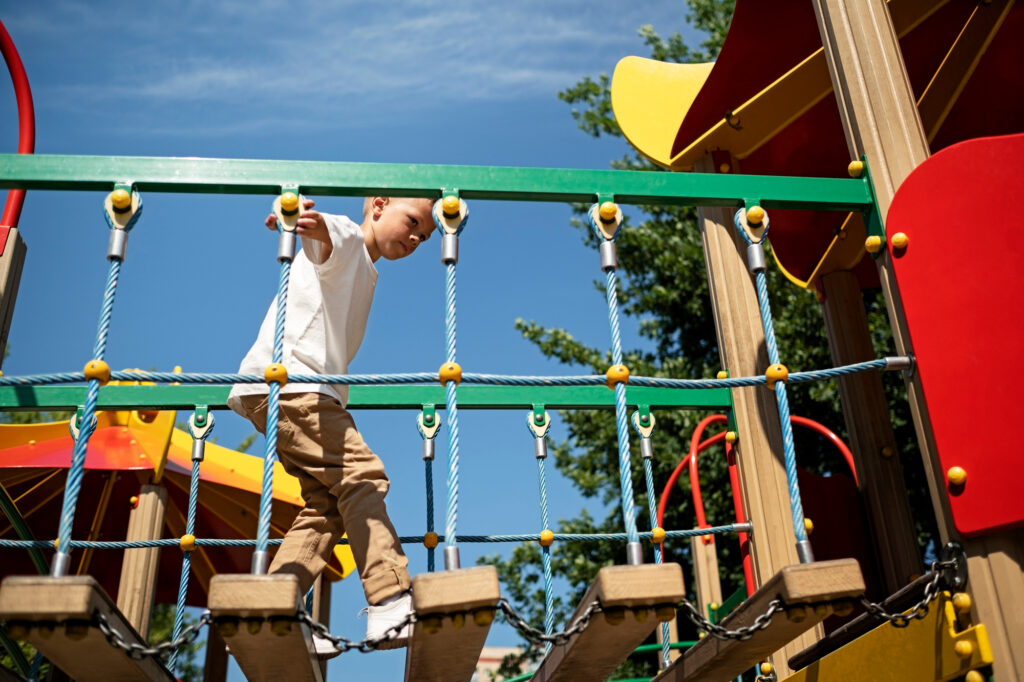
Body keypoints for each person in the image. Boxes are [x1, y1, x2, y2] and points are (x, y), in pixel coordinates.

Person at [227, 195, 436, 653]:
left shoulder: (365, 267)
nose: (418, 237)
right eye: (414, 221)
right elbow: (326, 234)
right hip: (295, 388)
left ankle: (273, 610)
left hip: (285, 394)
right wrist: (303, 220)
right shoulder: (347, 240)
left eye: (426, 236)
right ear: (377, 206)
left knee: (327, 508)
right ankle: (389, 598)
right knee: (362, 477)